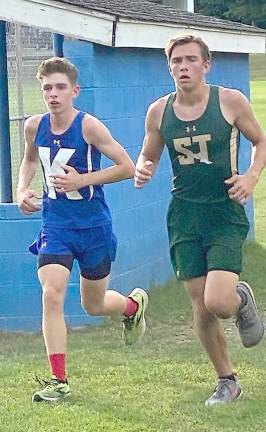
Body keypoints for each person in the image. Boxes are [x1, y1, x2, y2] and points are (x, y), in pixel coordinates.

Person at [134, 34, 266, 406]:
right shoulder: (159, 110)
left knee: (219, 301)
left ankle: (239, 298)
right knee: (201, 305)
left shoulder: (229, 101)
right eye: (176, 61)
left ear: (206, 65)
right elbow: (149, 154)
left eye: (191, 60)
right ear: (169, 67)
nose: (183, 67)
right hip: (184, 215)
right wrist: (143, 169)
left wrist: (251, 177)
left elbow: (261, 141)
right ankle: (227, 380)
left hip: (223, 210)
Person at [17, 57, 148, 403]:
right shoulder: (34, 126)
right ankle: (59, 381)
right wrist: (22, 188)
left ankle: (132, 309)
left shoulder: (89, 127)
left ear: (74, 90)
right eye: (47, 88)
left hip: (93, 227)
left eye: (60, 87)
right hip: (55, 224)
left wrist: (82, 179)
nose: (53, 94)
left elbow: (126, 167)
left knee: (93, 304)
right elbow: (30, 159)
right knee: (52, 293)